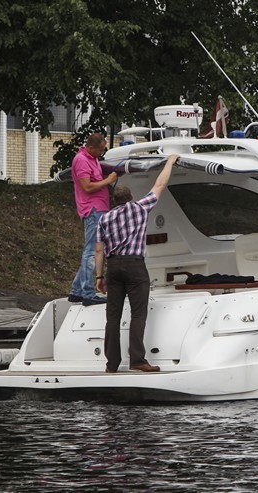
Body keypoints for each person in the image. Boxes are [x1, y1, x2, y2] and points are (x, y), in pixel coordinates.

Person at [95, 154, 179, 373]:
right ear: (131, 197)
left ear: (114, 201)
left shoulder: (104, 219)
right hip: (134, 267)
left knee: (112, 317)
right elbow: (160, 184)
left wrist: (98, 277)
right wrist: (169, 162)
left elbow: (99, 249)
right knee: (138, 313)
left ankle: (111, 364)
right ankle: (137, 360)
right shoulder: (140, 208)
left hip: (113, 268)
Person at [68, 133, 118, 306]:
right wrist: (108, 180)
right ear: (91, 147)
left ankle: (76, 291)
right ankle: (88, 293)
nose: (101, 153)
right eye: (100, 150)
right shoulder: (82, 160)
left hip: (99, 208)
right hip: (93, 209)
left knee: (90, 250)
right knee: (91, 251)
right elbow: (87, 187)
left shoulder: (92, 158)